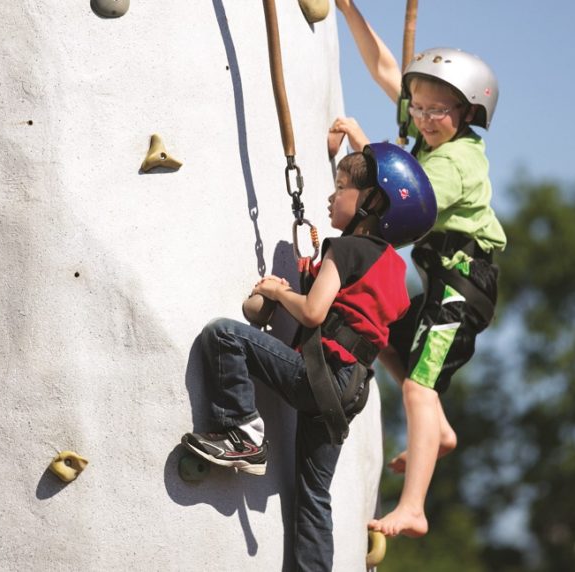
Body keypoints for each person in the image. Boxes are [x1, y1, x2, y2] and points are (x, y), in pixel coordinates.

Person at [181, 142, 437, 571]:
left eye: (341, 188)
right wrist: (308, 276)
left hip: (321, 377)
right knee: (314, 497)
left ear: (373, 202)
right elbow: (351, 309)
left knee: (223, 335)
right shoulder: (391, 267)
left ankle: (241, 432)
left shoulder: (346, 249)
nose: (330, 197)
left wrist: (281, 292)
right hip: (349, 391)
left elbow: (315, 311)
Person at [333, 0, 507, 539]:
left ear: (469, 114)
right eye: (419, 107)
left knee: (418, 389)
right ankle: (441, 430)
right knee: (384, 336)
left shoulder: (457, 161)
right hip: (442, 278)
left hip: (464, 281)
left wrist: (365, 149)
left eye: (438, 111)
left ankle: (414, 508)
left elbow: (404, 205)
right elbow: (387, 67)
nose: (425, 120)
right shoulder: (433, 133)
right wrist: (349, 10)